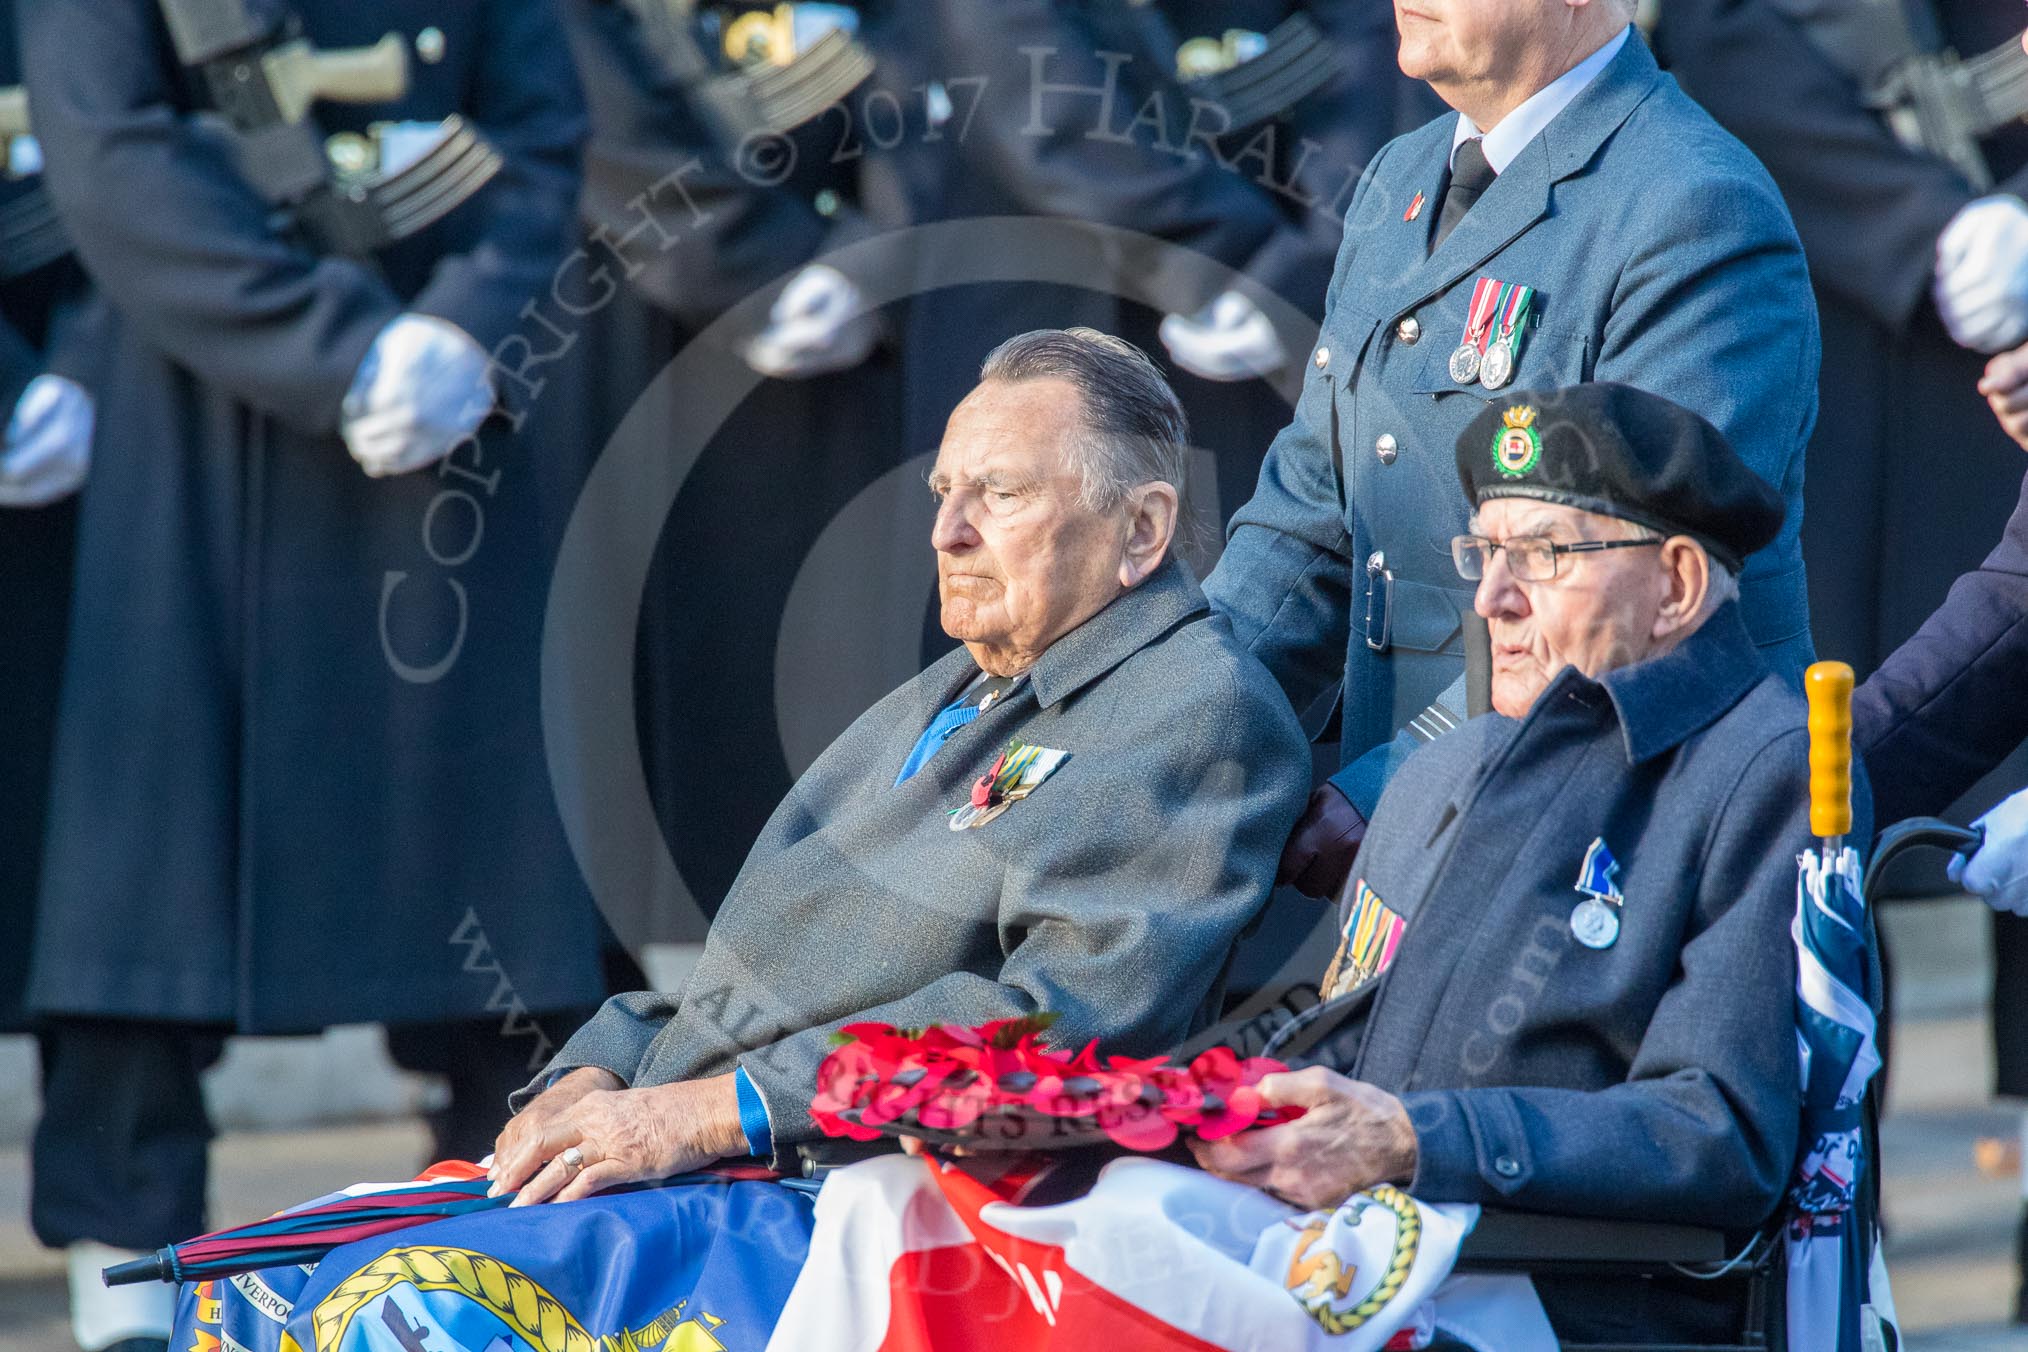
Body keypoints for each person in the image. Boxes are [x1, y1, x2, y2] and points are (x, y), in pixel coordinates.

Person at [19, 3, 606, 1348]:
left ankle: (517, 1211)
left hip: (447, 417)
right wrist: (331, 345)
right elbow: (110, 148)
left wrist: (464, 324)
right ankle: (130, 1254)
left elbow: (535, 130)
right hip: (187, 410)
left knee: (487, 851)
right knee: (147, 880)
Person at [489, 328, 1310, 1202]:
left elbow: (1049, 1029)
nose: (949, 533)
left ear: (1140, 528)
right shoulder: (984, 672)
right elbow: (771, 975)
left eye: (1001, 493)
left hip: (855, 1207)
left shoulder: (1195, 708)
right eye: (945, 492)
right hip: (709, 1163)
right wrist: (604, 1064)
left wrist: (707, 1113)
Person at [1195, 383, 1816, 1343]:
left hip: (1572, 1304)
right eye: (1484, 554)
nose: (1492, 598)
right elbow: (1348, 1035)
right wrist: (1164, 1108)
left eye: (1544, 555)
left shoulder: (1767, 768)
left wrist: (1414, 1142)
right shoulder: (1454, 762)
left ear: (1680, 585)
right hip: (1382, 1260)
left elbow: (1719, 1132)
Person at [1204, 0, 1820, 904]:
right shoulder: (1402, 173)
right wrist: (1176, 715)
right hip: (1429, 829)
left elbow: (1621, 600)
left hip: (1623, 847)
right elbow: (1309, 515)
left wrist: (1401, 786)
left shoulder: (1694, 206)